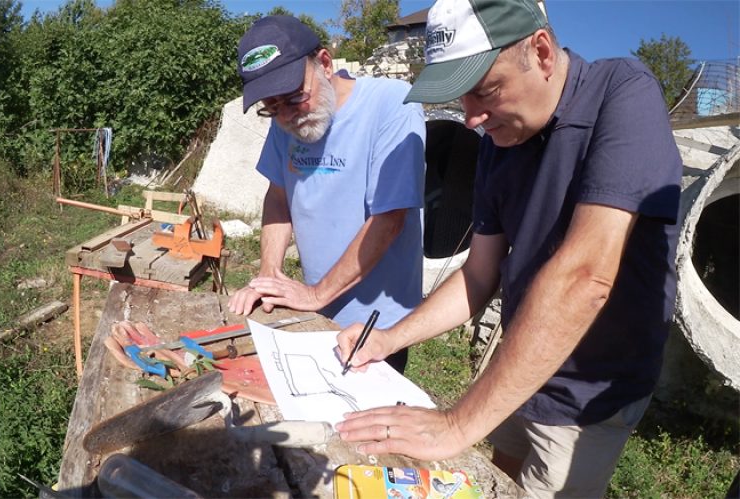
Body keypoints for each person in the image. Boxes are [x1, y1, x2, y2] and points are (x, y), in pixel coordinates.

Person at [335, 0, 683, 496]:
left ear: (541, 51)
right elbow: (479, 274)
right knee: (500, 478)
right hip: (517, 366)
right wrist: (389, 339)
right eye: (460, 98)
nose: (471, 118)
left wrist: (456, 426)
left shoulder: (623, 92)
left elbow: (587, 278)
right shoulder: (499, 142)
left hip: (588, 397)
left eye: (485, 90)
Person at [227, 15, 426, 372]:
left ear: (324, 62)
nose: (287, 116)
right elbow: (278, 197)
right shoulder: (284, 121)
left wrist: (317, 293)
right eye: (271, 107)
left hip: (376, 326)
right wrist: (269, 275)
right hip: (314, 313)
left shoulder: (393, 105)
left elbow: (390, 218)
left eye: (294, 97)